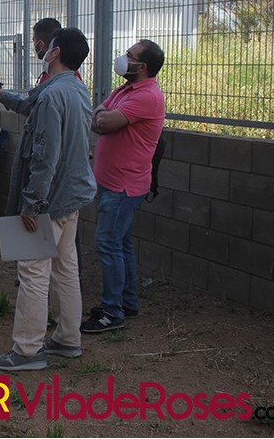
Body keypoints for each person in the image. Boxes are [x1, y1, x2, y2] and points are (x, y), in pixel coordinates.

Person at [0, 27, 96, 371]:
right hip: (72, 197)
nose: (43, 49)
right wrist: (1, 93)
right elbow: (31, 104)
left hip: (50, 200)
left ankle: (27, 351)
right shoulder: (74, 88)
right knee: (65, 268)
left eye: (48, 46)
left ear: (54, 53)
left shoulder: (52, 95)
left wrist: (32, 204)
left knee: (33, 271)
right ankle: (68, 339)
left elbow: (44, 156)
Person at [80, 39, 166, 333]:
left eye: (129, 55)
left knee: (108, 244)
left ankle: (111, 311)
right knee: (121, 243)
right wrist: (102, 116)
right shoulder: (125, 89)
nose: (123, 58)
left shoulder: (148, 96)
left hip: (124, 187)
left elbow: (102, 122)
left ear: (142, 66)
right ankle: (127, 303)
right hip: (112, 183)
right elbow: (98, 114)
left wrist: (102, 117)